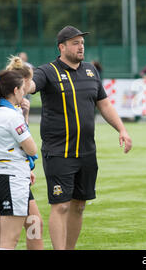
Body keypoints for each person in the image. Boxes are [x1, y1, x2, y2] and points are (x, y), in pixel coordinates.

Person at [26, 25, 132, 250]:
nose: (81, 46)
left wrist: (121, 129)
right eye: (75, 43)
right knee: (61, 206)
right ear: (62, 47)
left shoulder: (91, 71)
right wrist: (23, 81)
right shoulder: (47, 71)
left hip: (86, 152)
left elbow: (103, 103)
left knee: (79, 205)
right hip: (59, 152)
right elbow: (31, 85)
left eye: (82, 42)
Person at [0, 56, 44, 250]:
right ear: (20, 85)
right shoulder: (11, 114)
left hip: (3, 173)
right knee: (9, 240)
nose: (30, 87)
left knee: (34, 224)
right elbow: (31, 148)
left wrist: (24, 113)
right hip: (12, 177)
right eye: (30, 81)